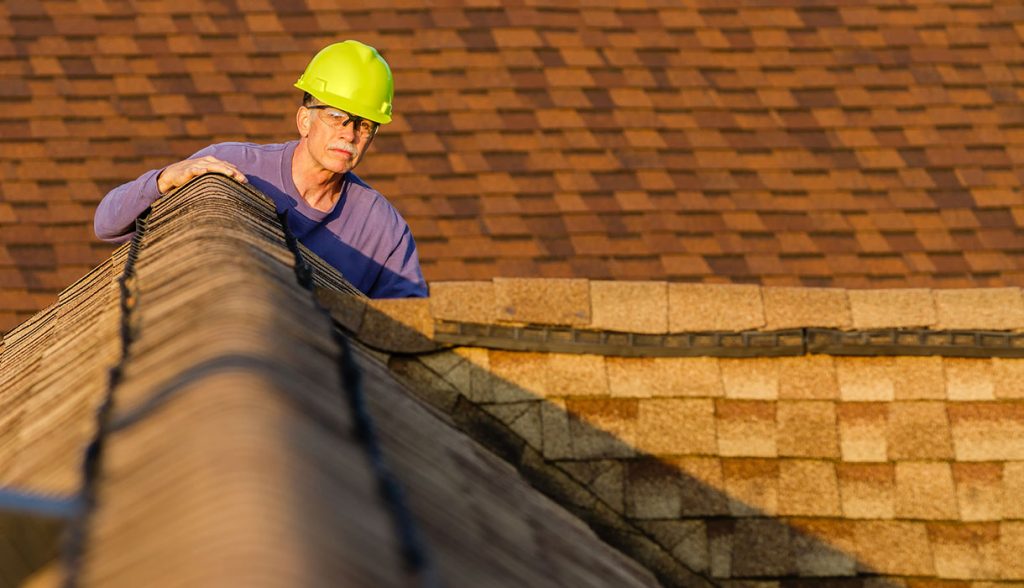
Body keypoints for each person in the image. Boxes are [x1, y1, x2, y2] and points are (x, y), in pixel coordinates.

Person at [94, 40, 427, 298]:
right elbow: (106, 224)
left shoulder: (384, 231)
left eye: (365, 125)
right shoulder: (231, 167)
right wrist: (164, 180)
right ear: (304, 120)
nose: (349, 134)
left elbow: (414, 330)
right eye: (337, 117)